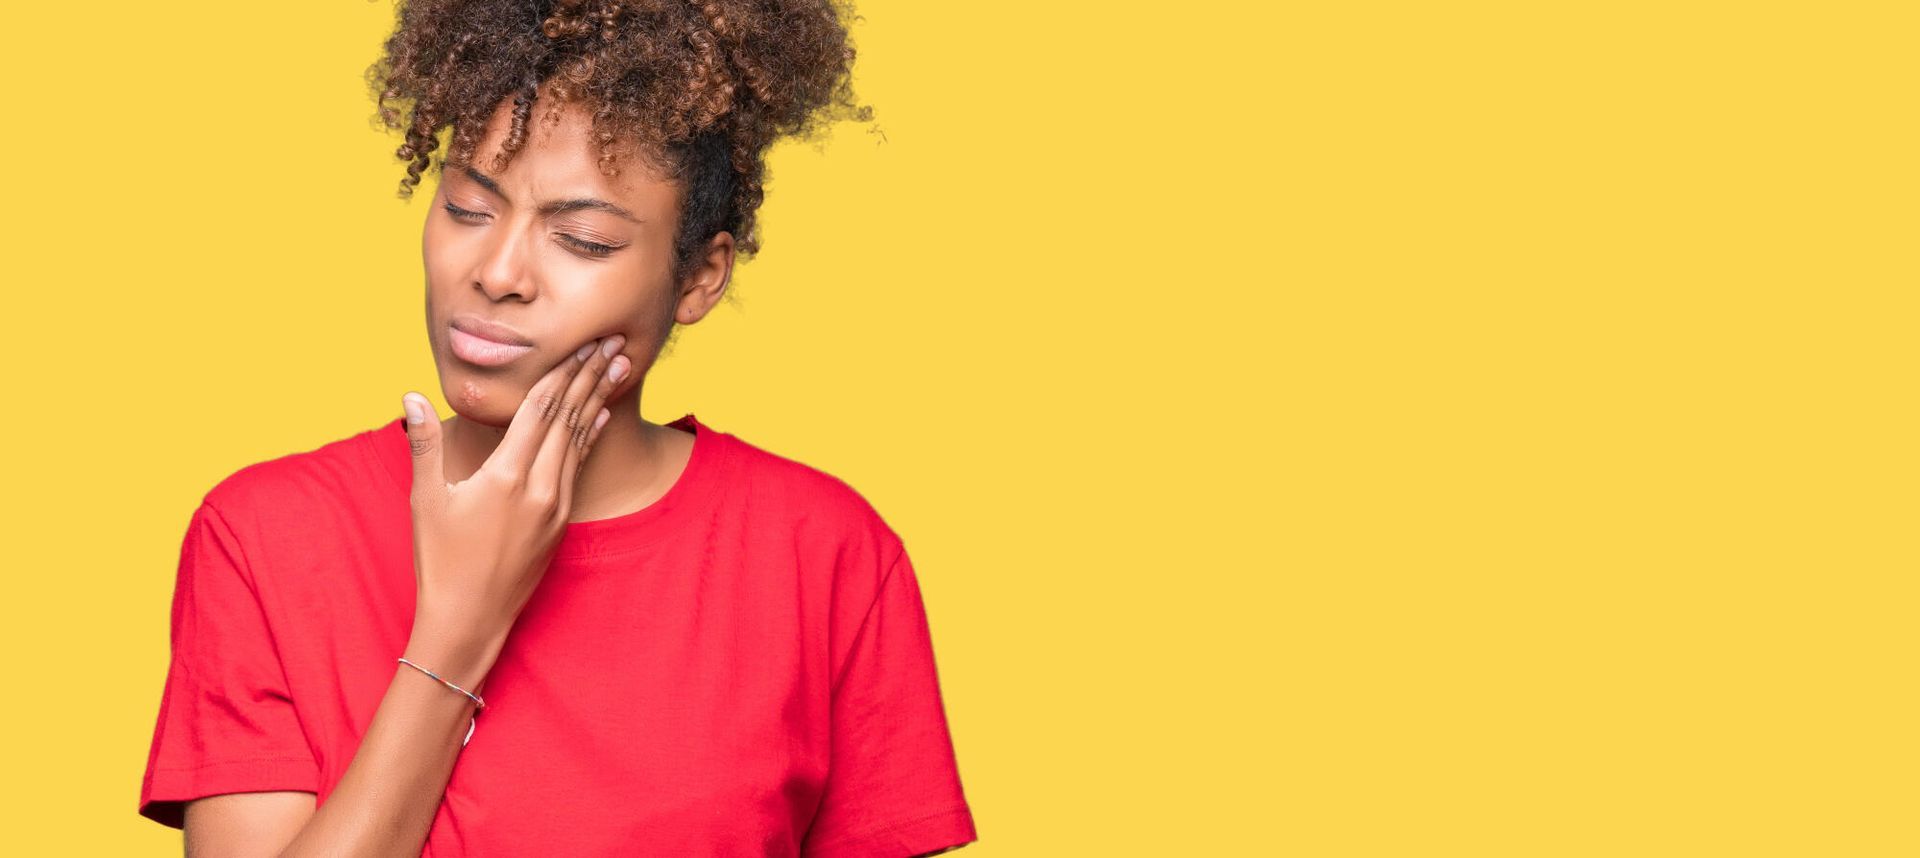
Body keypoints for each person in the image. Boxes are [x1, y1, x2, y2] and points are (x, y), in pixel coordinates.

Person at [135, 0, 978, 854]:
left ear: (699, 279)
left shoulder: (825, 554)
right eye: (468, 208)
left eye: (581, 240)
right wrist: (456, 636)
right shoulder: (266, 536)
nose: (497, 272)